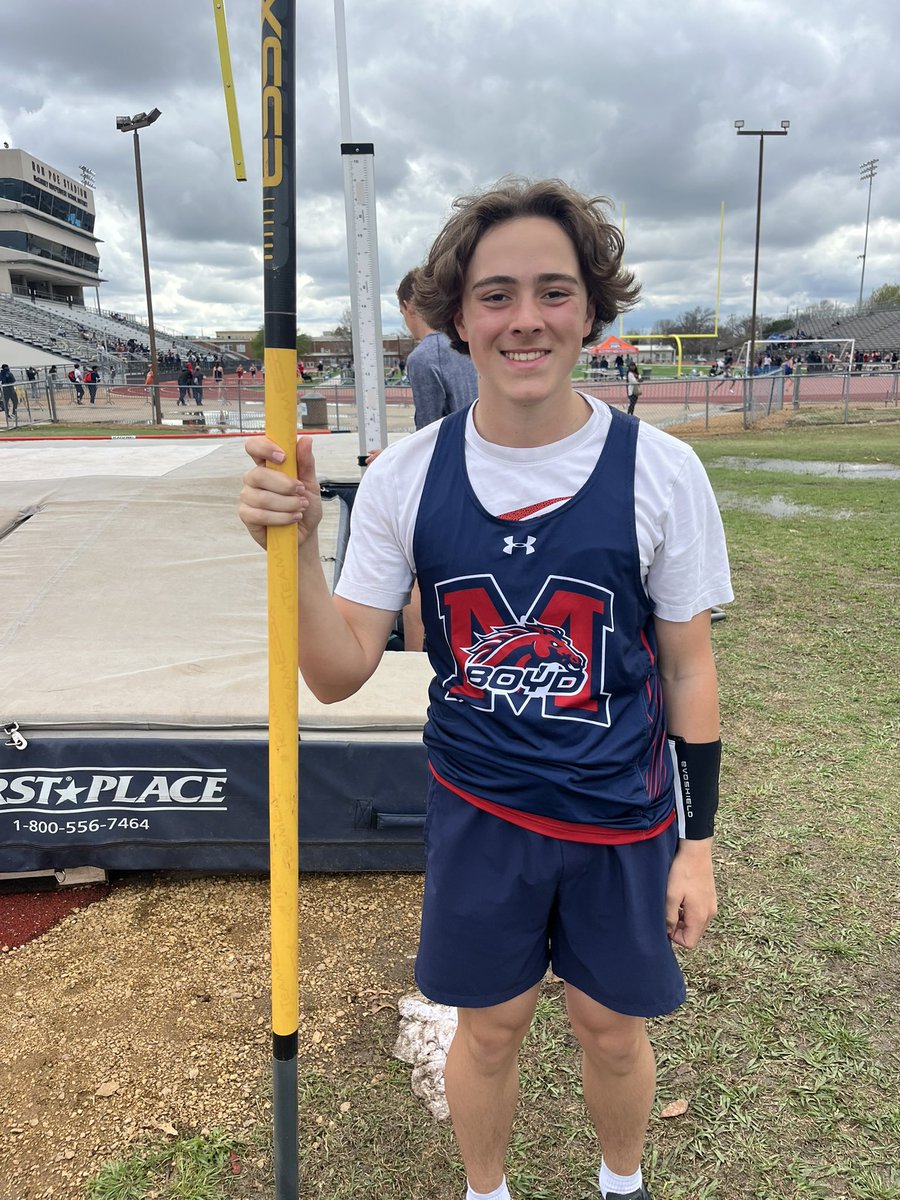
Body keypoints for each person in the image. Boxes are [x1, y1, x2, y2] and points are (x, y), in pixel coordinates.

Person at [239, 177, 732, 1200]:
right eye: (497, 294)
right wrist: (288, 557)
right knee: (492, 1024)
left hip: (619, 816)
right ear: (456, 316)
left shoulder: (664, 472)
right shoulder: (406, 477)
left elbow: (688, 667)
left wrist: (700, 843)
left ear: (591, 309)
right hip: (481, 812)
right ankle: (486, 1192)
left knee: (609, 1025)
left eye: (554, 291)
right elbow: (335, 675)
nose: (526, 319)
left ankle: (621, 1183)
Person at [398, 266, 479, 429]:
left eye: (402, 312)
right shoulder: (468, 343)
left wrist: (395, 454)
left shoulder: (423, 358)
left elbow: (427, 428)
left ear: (409, 306)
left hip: (452, 449)